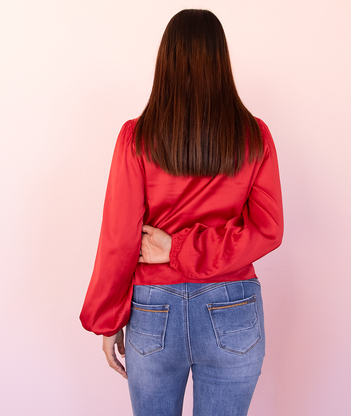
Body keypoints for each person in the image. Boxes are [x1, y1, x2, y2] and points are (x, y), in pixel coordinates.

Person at [80, 9, 283, 416]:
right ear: (221, 62)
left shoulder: (136, 137)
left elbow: (119, 237)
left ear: (165, 61)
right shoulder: (254, 135)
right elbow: (268, 230)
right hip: (233, 308)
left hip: (154, 311)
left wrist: (109, 317)